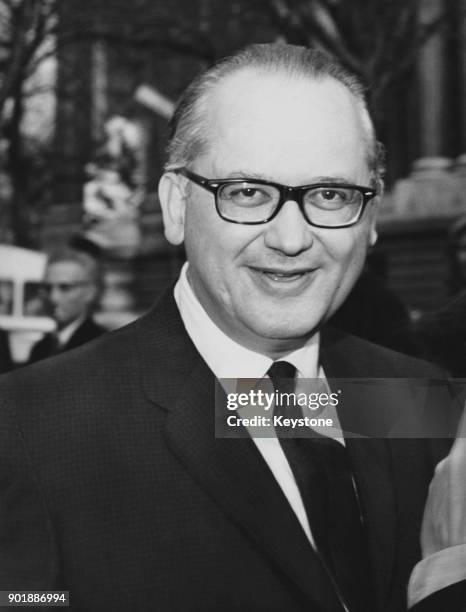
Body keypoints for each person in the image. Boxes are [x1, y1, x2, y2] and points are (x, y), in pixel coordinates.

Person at [0, 43, 463, 611]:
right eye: (247, 193)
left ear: (370, 219)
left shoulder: (416, 399)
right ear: (175, 205)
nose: (291, 238)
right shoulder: (30, 428)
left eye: (330, 194)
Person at [28, 248, 106, 363]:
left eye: (65, 288)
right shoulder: (40, 348)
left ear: (90, 292)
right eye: (47, 288)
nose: (53, 297)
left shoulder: (101, 347)